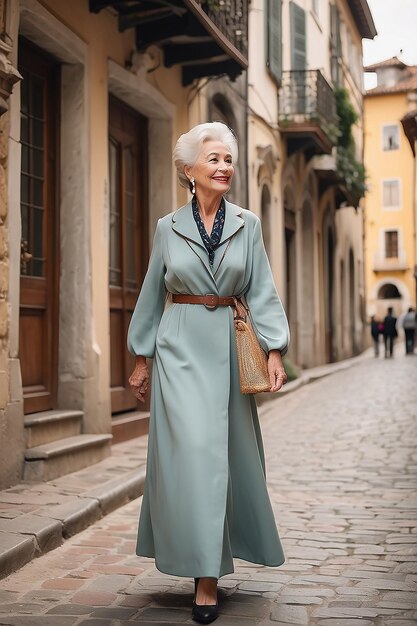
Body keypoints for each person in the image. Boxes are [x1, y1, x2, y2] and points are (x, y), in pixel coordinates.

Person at [127, 122, 290, 624]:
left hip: (229, 343)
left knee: (221, 458)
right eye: (214, 159)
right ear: (189, 170)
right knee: (193, 455)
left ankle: (208, 577)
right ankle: (201, 570)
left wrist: (275, 349)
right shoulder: (166, 226)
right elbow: (153, 291)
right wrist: (141, 356)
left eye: (228, 159)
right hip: (178, 346)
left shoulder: (249, 223)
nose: (224, 167)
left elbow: (261, 287)